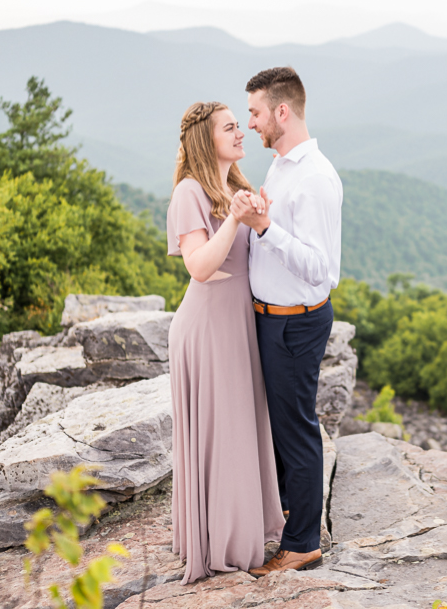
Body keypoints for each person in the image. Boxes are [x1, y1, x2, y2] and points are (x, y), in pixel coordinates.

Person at [230, 67, 344, 576]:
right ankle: (287, 516)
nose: (250, 123)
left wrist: (265, 226)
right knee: (279, 428)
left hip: (295, 323)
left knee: (296, 430)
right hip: (269, 318)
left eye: (254, 112)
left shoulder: (315, 177)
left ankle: (301, 544)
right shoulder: (280, 166)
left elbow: (322, 269)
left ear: (281, 111)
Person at [166, 100, 285, 585]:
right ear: (205, 138)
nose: (241, 133)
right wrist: (235, 220)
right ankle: (225, 545)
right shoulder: (190, 193)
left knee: (243, 429)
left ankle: (246, 531)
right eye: (231, 127)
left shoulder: (234, 184)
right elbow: (199, 266)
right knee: (224, 433)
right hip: (207, 327)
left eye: (241, 125)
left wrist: (258, 217)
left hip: (240, 323)